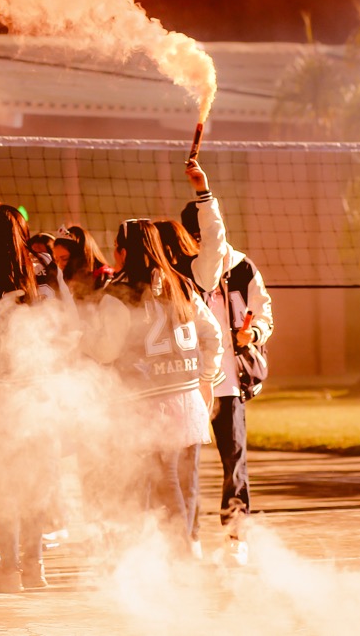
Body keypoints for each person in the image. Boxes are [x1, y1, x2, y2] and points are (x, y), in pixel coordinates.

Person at [85, 218, 223, 554]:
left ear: (123, 251)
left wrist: (83, 342)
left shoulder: (118, 292)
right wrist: (205, 378)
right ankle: (177, 549)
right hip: (185, 395)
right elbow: (213, 334)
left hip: (148, 398)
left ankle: (178, 553)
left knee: (157, 478)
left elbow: (108, 350)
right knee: (171, 475)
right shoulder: (182, 284)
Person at [0, 205, 70, 592]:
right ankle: (35, 567)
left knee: (4, 480)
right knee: (36, 481)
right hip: (42, 386)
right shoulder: (46, 266)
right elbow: (69, 319)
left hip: (1, 387)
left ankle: (9, 570)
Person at [181, 161, 274, 565]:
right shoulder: (186, 270)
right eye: (194, 237)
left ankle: (236, 536)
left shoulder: (242, 267)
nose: (200, 242)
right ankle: (186, 539)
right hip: (192, 384)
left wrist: (254, 334)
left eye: (203, 235)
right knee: (184, 466)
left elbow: (264, 312)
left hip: (230, 384)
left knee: (234, 462)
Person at [52, 225, 113, 299]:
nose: (59, 265)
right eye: (57, 260)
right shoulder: (63, 280)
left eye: (65, 259)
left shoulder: (105, 279)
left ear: (80, 256)